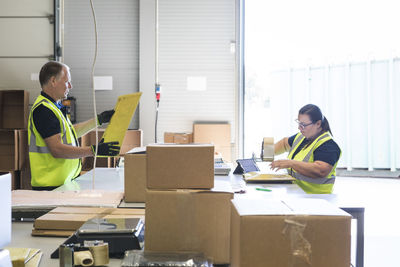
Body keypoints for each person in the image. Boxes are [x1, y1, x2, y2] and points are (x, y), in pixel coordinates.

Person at [28, 61, 120, 190]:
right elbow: (57, 149)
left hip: (63, 184)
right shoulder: (44, 110)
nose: (70, 86)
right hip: (50, 188)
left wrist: (99, 120)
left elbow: (70, 133)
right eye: (67, 82)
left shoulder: (54, 106)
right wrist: (92, 151)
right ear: (53, 81)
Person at [270, 104, 341, 194]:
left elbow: (320, 170)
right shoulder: (302, 137)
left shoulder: (328, 145)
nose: (299, 128)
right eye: (299, 123)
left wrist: (291, 163)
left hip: (316, 198)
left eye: (303, 125)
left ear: (318, 124)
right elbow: (285, 143)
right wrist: (267, 152)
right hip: (297, 192)